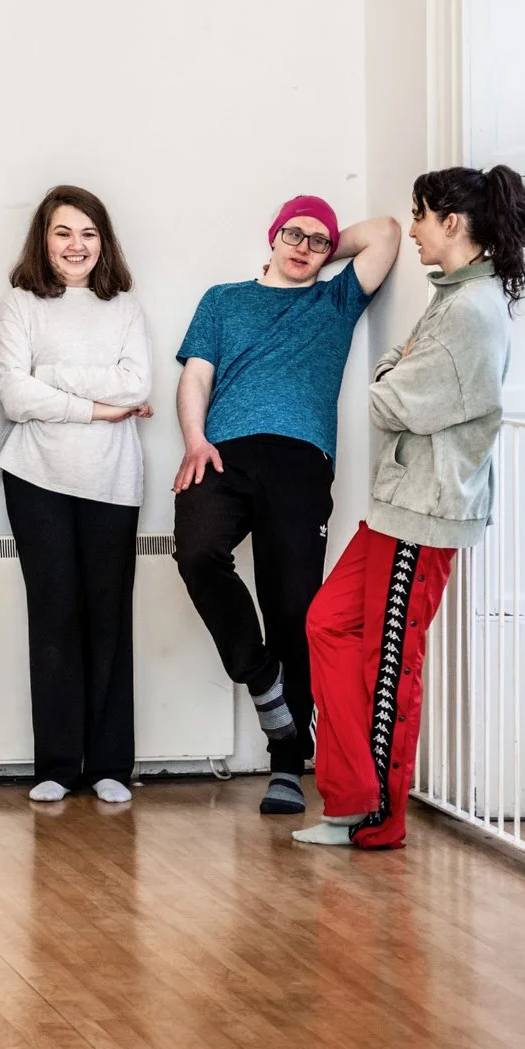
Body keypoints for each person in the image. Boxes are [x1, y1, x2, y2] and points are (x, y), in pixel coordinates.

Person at [297, 167, 525, 849]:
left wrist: (388, 370)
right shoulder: (454, 296)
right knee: (327, 622)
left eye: (421, 216)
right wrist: (395, 368)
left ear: (452, 222)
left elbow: (389, 399)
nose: (413, 231)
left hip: (424, 511)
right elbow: (400, 382)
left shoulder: (471, 311)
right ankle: (352, 797)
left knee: (391, 663)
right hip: (398, 504)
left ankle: (378, 819)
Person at [173, 196, 400, 815]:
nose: (303, 247)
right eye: (292, 235)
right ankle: (260, 674)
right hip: (222, 452)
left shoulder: (335, 299)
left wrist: (323, 248)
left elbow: (385, 232)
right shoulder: (223, 300)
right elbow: (196, 376)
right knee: (196, 553)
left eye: (317, 241)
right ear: (271, 237)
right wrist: (195, 440)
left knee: (293, 606)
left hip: (301, 461)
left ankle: (286, 763)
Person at [0, 188, 153, 806]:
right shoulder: (20, 303)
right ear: (44, 239)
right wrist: (98, 408)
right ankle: (57, 764)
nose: (76, 245)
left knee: (109, 619)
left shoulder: (125, 307)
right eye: (63, 233)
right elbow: (13, 395)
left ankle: (109, 764)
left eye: (88, 233)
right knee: (53, 617)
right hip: (36, 477)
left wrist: (51, 378)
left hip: (113, 480)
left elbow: (137, 385)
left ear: (103, 242)